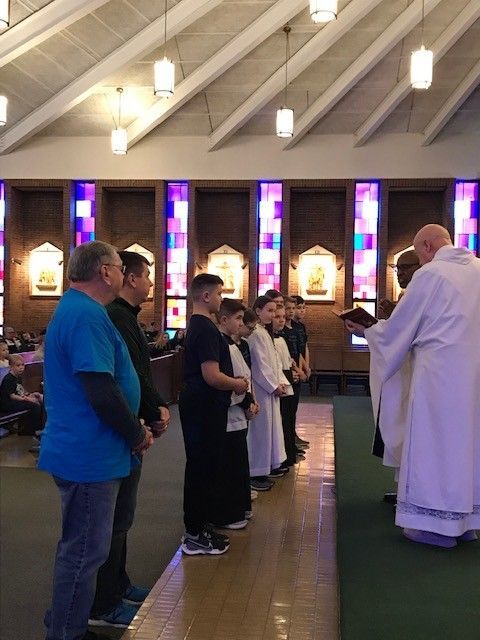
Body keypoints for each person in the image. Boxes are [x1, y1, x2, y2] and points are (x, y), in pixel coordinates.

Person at [38, 241, 153, 640]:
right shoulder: (86, 315)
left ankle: (65, 620)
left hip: (91, 449)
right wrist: (136, 433)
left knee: (81, 548)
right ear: (105, 271)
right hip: (88, 453)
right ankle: (67, 632)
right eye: (121, 267)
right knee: (84, 551)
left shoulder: (84, 311)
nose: (124, 274)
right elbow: (100, 389)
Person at [345, 224, 480, 549]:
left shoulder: (431, 275)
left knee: (433, 444)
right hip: (473, 376)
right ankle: (466, 523)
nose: (420, 262)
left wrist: (369, 332)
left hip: (438, 376)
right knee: (467, 446)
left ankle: (431, 525)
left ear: (429, 246)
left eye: (419, 254)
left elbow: (401, 329)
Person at [88, 250, 170, 628]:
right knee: (114, 520)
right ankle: (104, 602)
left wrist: (153, 408)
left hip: (131, 429)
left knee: (123, 517)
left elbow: (139, 374)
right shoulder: (115, 317)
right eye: (146, 275)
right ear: (130, 278)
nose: (151, 283)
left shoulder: (126, 318)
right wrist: (149, 416)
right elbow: (119, 379)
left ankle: (117, 585)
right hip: (119, 434)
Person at [179, 273, 248, 555]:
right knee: (201, 468)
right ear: (206, 296)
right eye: (219, 293)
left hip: (203, 407)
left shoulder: (199, 325)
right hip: (203, 408)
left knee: (206, 468)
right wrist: (239, 384)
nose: (221, 298)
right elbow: (211, 375)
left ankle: (201, 526)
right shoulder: (206, 328)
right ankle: (194, 534)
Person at [216, 299, 259, 529]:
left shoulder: (232, 345)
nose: (241, 323)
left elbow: (244, 377)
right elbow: (233, 381)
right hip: (230, 414)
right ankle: (229, 514)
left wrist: (250, 400)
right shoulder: (222, 345)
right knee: (230, 466)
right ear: (224, 320)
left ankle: (240, 507)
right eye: (238, 319)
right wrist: (246, 402)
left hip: (240, 412)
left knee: (239, 463)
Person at [247, 296, 287, 491]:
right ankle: (255, 471)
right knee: (259, 431)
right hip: (261, 389)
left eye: (274, 311)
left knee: (269, 428)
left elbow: (274, 363)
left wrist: (279, 382)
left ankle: (265, 467)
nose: (272, 315)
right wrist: (273, 385)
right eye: (269, 311)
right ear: (257, 311)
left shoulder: (264, 333)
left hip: (269, 389)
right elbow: (260, 366)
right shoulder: (256, 334)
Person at [0, 353, 44, 434]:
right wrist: (27, 399)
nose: (21, 367)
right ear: (11, 366)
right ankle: (27, 430)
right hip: (8, 404)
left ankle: (39, 426)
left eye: (22, 365)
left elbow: (20, 391)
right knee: (35, 405)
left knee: (39, 400)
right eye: (18, 365)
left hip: (16, 401)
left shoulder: (18, 376)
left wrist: (30, 395)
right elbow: (12, 396)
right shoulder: (8, 379)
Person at [379, 249, 420, 319]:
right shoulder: (403, 296)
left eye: (405, 267)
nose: (399, 273)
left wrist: (396, 314)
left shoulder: (431, 294)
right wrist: (394, 313)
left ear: (421, 267)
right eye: (397, 269)